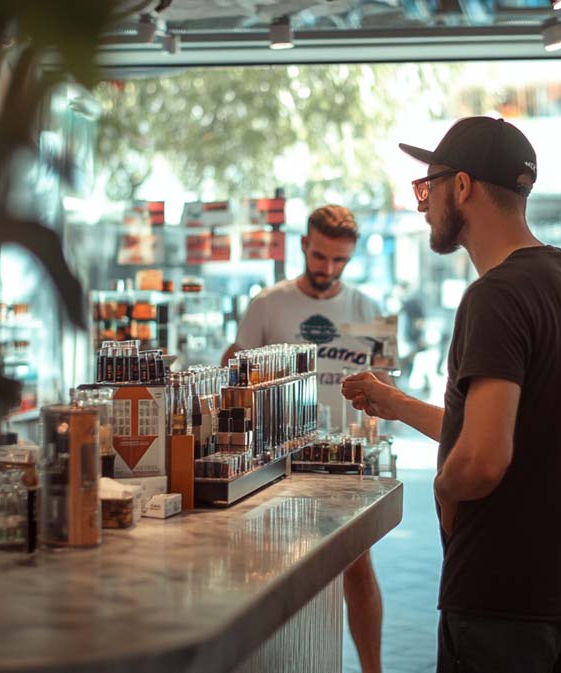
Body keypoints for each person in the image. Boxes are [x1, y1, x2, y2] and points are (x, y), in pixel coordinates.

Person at [342, 117, 561, 673]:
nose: (423, 204)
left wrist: (446, 490)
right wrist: (395, 404)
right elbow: (515, 426)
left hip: (508, 601)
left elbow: (483, 459)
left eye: (429, 186)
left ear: (463, 187)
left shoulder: (494, 296)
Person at [222, 204, 386, 673]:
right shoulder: (267, 305)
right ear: (303, 245)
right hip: (280, 461)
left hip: (347, 457)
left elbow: (387, 383)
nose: (328, 269)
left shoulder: (367, 309)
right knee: (273, 565)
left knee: (358, 566)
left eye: (339, 261)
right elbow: (230, 373)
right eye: (320, 257)